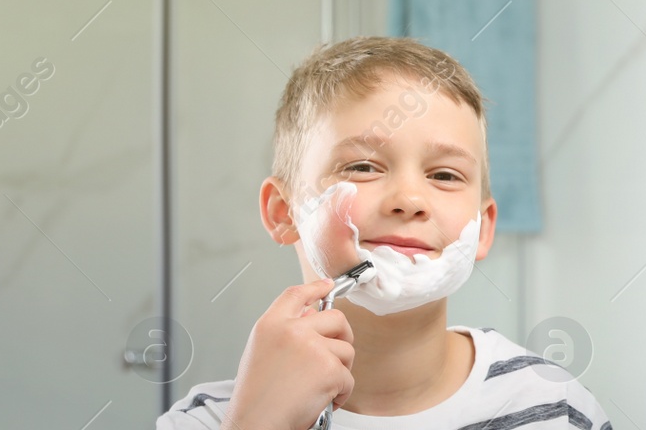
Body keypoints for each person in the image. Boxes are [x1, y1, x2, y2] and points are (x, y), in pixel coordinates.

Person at [157, 37, 610, 430]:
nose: (410, 198)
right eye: (362, 167)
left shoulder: (554, 409)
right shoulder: (208, 421)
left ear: (483, 227)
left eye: (446, 175)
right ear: (284, 212)